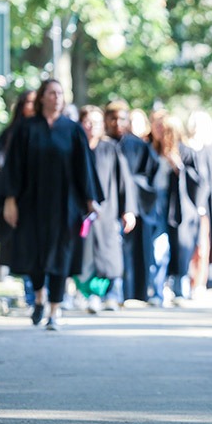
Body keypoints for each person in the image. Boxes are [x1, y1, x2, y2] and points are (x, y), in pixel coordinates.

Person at [2, 79, 101, 330]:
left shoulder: (73, 130)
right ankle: (38, 298)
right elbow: (14, 167)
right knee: (34, 254)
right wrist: (11, 200)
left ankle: (54, 310)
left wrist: (90, 200)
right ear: (42, 98)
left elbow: (85, 167)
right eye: (51, 93)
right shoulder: (26, 128)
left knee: (61, 255)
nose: (56, 97)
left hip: (65, 204)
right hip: (31, 201)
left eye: (59, 93)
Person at [78, 105, 137, 313]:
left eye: (96, 122)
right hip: (82, 212)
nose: (91, 126)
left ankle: (111, 295)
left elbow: (124, 181)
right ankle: (89, 295)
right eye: (87, 122)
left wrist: (128, 210)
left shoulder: (110, 148)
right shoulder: (76, 148)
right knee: (85, 256)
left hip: (108, 210)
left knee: (109, 255)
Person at [147, 112, 207, 303]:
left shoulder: (186, 152)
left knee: (181, 248)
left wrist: (179, 168)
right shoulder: (153, 151)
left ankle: (180, 290)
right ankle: (156, 290)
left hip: (180, 207)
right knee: (158, 247)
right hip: (158, 204)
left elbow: (198, 180)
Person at [0, 89, 36, 302]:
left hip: (42, 199)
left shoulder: (51, 130)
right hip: (19, 199)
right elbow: (2, 169)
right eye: (30, 102)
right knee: (25, 246)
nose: (33, 106)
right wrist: (10, 197)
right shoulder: (11, 135)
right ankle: (31, 292)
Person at [106, 100, 159, 304]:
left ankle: (132, 291)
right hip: (108, 204)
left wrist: (133, 189)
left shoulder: (137, 145)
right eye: (113, 119)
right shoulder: (101, 144)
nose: (117, 123)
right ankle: (106, 293)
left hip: (134, 205)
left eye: (122, 119)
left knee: (134, 250)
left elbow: (151, 175)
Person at [186, 110, 212, 292]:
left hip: (208, 206)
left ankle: (199, 282)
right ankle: (186, 280)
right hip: (188, 204)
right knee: (187, 243)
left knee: (203, 244)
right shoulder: (185, 148)